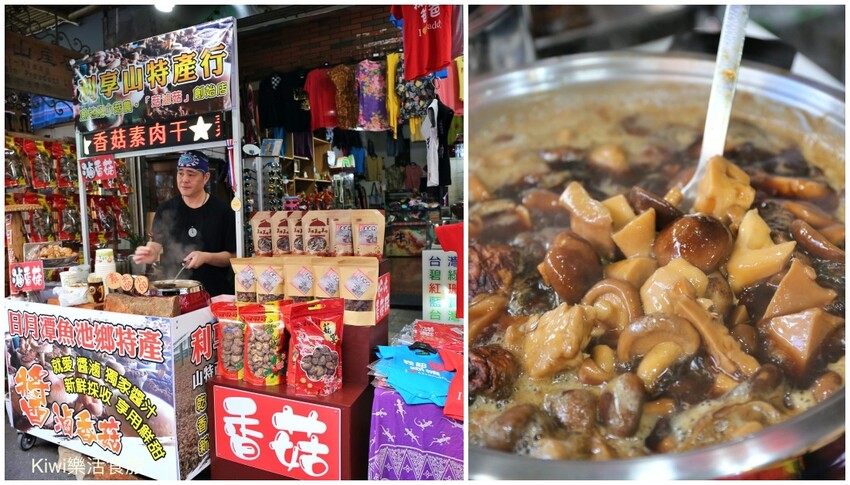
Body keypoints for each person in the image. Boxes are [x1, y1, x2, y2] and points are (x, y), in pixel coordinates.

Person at [133, 150, 236, 296]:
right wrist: (150, 251)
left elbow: (233, 256)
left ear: (206, 177)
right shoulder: (165, 209)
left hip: (214, 294)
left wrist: (206, 257)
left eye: (191, 174)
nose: (184, 179)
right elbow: (155, 243)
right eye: (180, 173)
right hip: (174, 293)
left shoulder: (223, 211)